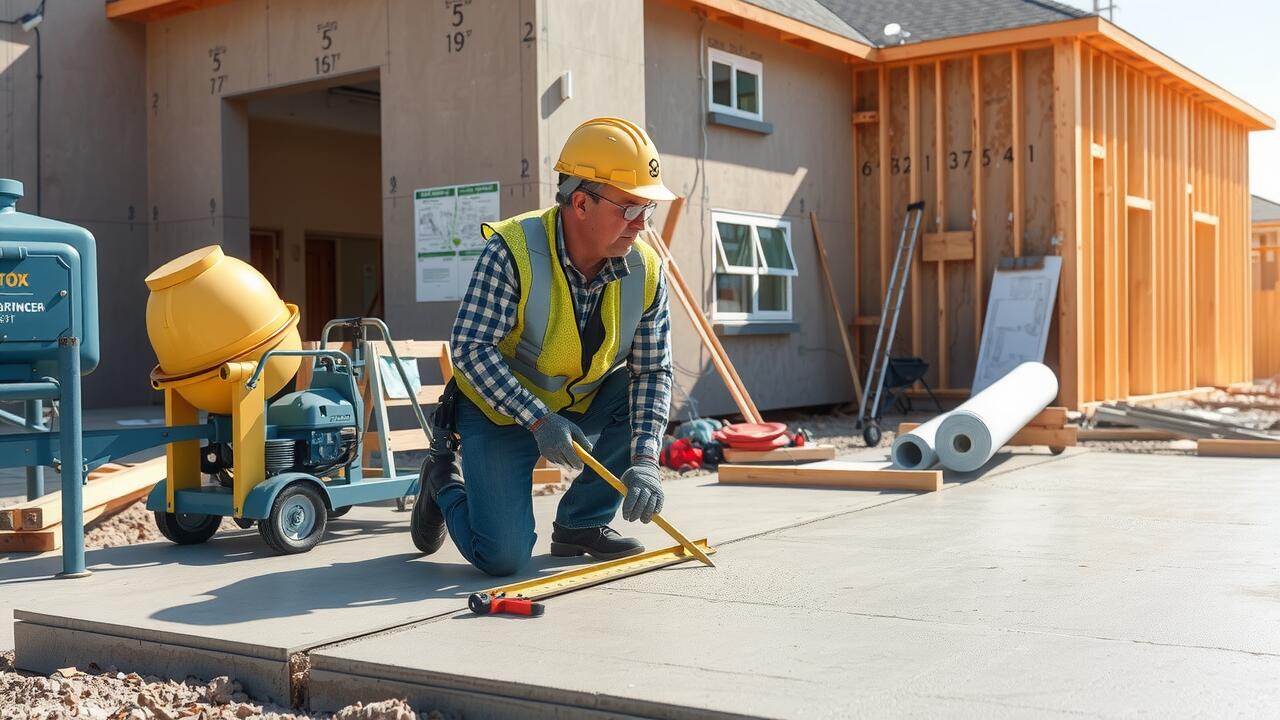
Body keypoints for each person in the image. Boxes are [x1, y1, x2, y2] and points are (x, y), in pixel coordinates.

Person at [413, 116, 677, 577]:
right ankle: (441, 483)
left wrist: (646, 460)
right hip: (501, 410)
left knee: (632, 395)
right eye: (630, 209)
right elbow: (472, 348)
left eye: (648, 211)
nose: (641, 225)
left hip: (577, 403)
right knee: (503, 558)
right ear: (580, 203)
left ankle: (581, 524)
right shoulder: (513, 251)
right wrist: (536, 417)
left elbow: (653, 372)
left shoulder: (648, 271)